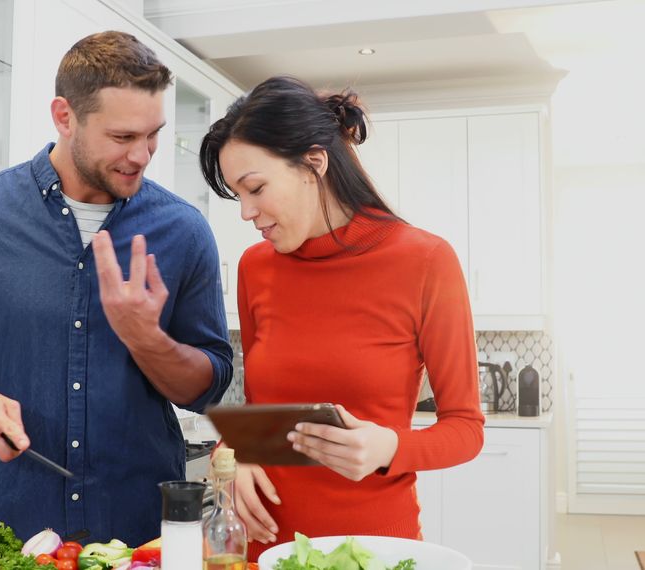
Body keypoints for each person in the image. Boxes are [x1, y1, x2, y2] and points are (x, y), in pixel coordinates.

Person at [0, 31, 233, 546]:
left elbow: (208, 387)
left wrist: (148, 339)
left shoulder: (184, 231)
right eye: (122, 137)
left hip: (142, 538)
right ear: (65, 116)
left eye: (153, 135)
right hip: (12, 532)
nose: (142, 155)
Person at [198, 76, 484, 559]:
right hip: (265, 547)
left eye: (256, 188)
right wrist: (230, 454)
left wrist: (390, 448)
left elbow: (466, 429)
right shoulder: (255, 267)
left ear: (314, 163)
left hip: (372, 549)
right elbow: (259, 414)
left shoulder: (426, 261)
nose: (246, 212)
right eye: (237, 195)